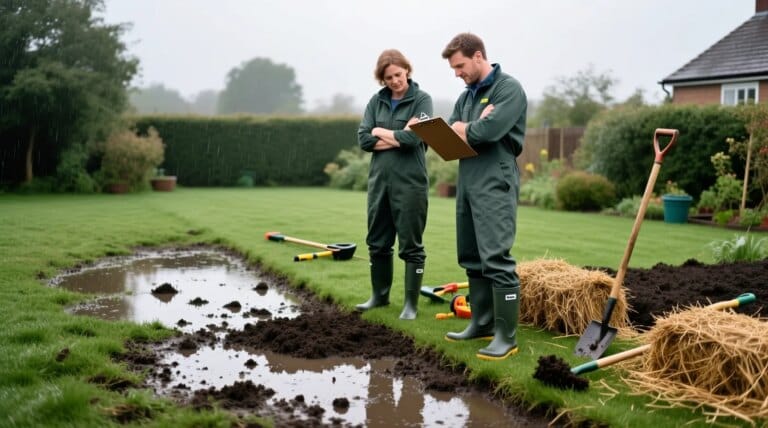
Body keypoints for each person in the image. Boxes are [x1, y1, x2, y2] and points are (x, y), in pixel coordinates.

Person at [440, 33, 527, 360]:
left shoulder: (508, 89)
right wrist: (466, 127)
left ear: (478, 56)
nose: (457, 73)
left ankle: (506, 335)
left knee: (496, 258)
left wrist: (467, 128)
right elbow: (451, 133)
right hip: (468, 177)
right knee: (471, 255)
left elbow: (488, 132)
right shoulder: (466, 97)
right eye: (453, 68)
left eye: (460, 65)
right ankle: (481, 322)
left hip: (495, 177)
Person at [355, 49, 433, 320]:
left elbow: (414, 140)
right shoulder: (376, 102)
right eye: (388, 77)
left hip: (411, 184)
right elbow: (364, 140)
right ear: (382, 79)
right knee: (377, 242)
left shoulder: (422, 100)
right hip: (379, 183)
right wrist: (397, 135)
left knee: (411, 245)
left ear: (407, 71)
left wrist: (380, 131)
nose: (395, 81)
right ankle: (379, 296)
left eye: (398, 75)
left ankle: (410, 305)